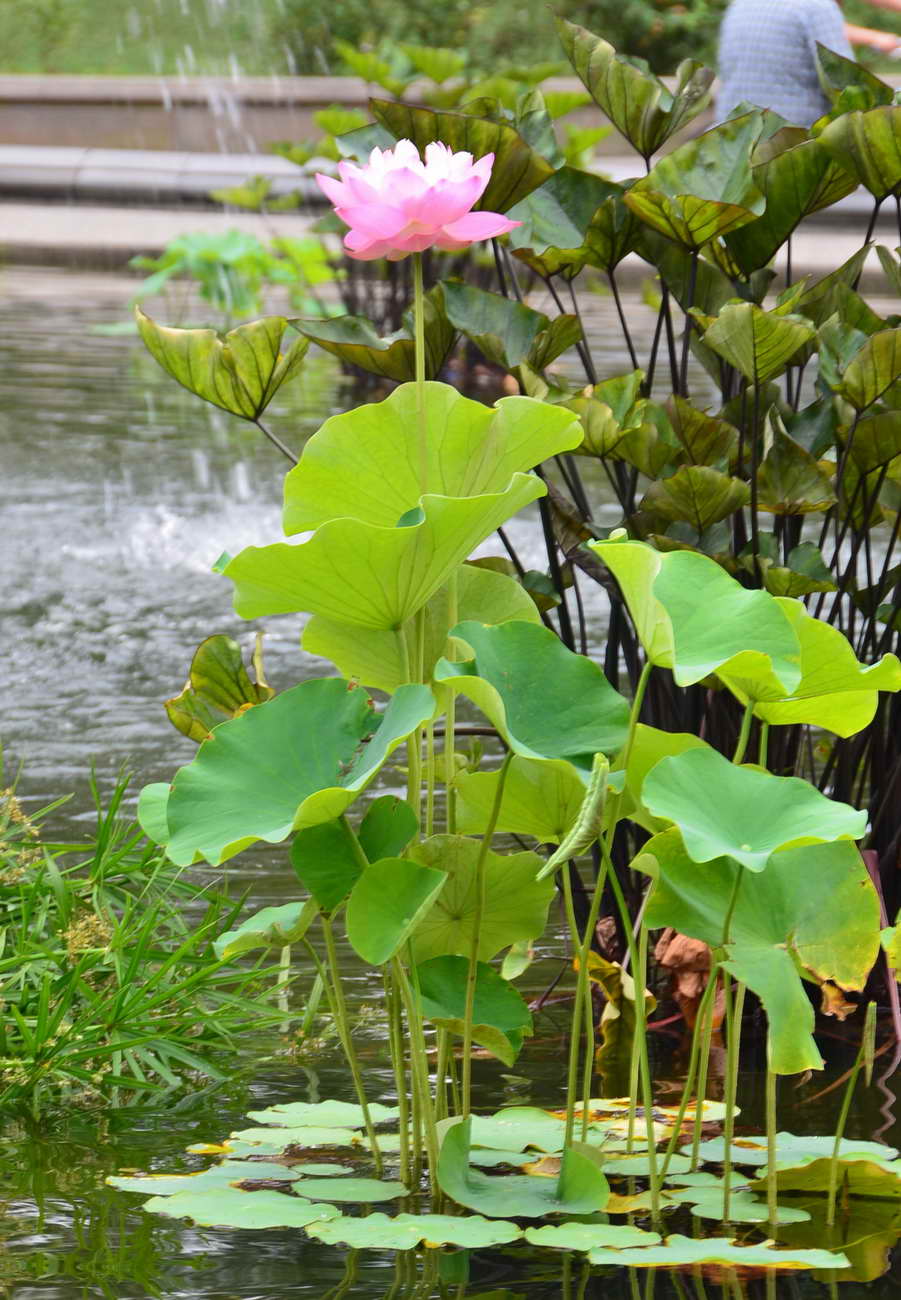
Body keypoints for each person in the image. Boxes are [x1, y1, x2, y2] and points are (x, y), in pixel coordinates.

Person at [717, 0, 899, 127]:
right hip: (790, 141)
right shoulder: (818, 7)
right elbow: (848, 88)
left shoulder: (740, 5)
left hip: (731, 137)